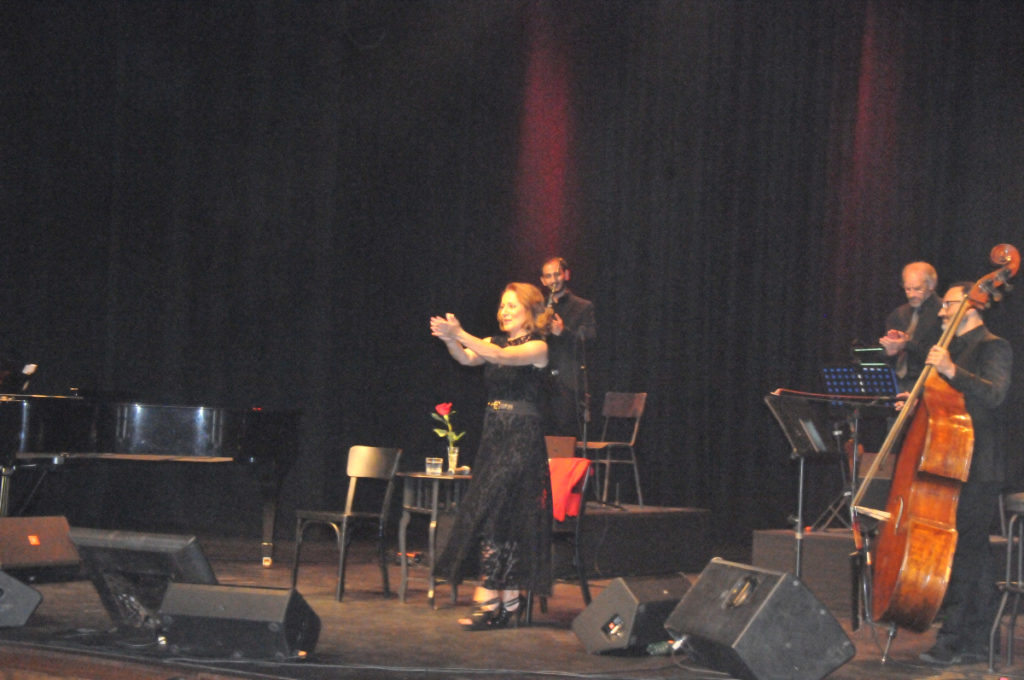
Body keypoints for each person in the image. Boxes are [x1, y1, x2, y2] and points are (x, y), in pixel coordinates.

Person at [429, 282, 554, 630]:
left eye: (512, 305)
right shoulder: (492, 341)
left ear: (530, 311)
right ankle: (507, 598)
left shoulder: (538, 347)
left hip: (521, 437)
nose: (504, 311)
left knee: (499, 510)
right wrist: (450, 339)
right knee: (496, 516)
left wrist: (460, 333)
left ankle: (492, 597)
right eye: (502, 305)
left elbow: (499, 358)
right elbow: (466, 358)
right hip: (494, 433)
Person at [917, 281, 1013, 666]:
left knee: (968, 553)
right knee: (970, 555)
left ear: (971, 308)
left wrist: (950, 370)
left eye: (948, 305)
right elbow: (949, 402)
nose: (941, 311)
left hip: (979, 463)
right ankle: (973, 640)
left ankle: (958, 638)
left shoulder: (994, 346)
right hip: (951, 461)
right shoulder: (952, 348)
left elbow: (995, 395)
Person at [539, 257, 596, 438]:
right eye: (548, 276)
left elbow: (590, 339)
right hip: (540, 380)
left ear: (566, 275)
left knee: (564, 434)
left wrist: (564, 332)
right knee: (540, 431)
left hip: (568, 383)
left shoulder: (583, 306)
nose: (553, 280)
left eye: (557, 274)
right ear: (543, 280)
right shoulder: (538, 307)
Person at [879, 261, 942, 392]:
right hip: (900, 383)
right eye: (908, 289)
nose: (911, 295)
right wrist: (890, 352)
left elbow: (943, 353)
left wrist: (906, 344)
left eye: (918, 289)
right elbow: (887, 360)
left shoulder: (943, 312)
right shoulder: (898, 314)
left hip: (930, 385)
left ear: (931, 285)